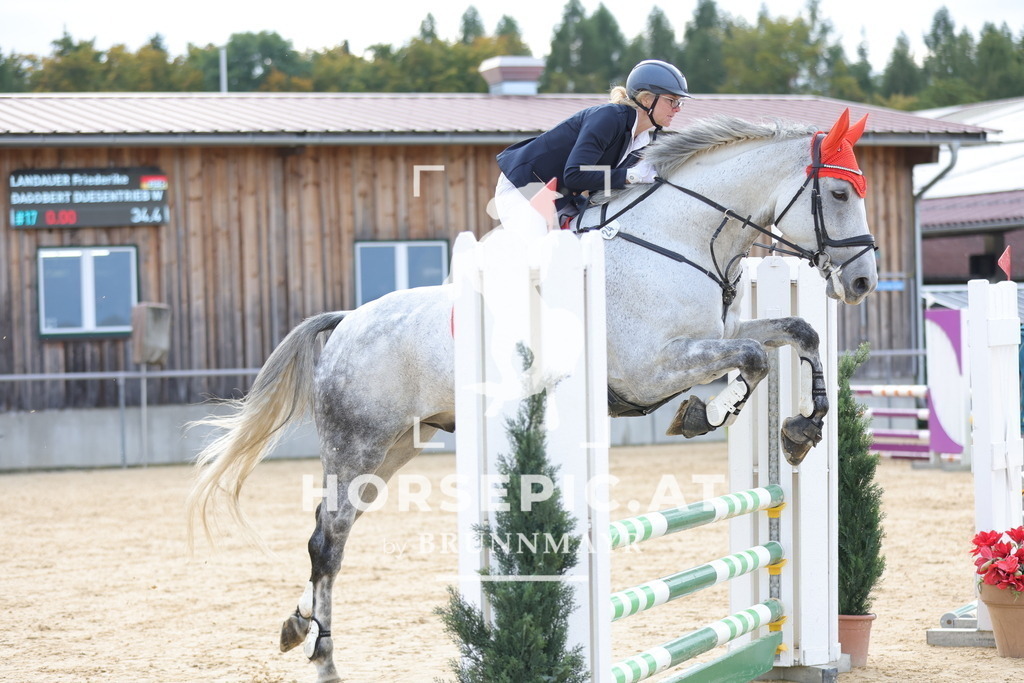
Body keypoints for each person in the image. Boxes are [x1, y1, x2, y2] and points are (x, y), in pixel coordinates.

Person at [493, 59, 691, 236]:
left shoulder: (642, 141)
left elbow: (599, 187)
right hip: (525, 187)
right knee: (541, 257)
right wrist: (632, 176)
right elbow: (574, 175)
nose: (677, 109)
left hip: (561, 198)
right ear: (646, 99)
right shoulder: (609, 118)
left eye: (680, 102)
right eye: (671, 100)